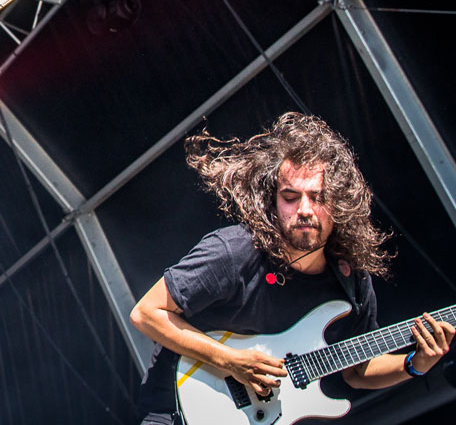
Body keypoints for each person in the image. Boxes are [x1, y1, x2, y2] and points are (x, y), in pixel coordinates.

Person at [129, 112, 454, 424]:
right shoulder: (234, 251)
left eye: (317, 197)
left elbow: (357, 371)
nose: (304, 209)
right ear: (271, 201)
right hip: (177, 411)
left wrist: (414, 363)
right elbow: (146, 313)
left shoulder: (351, 279)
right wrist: (230, 360)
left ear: (339, 204)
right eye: (290, 197)